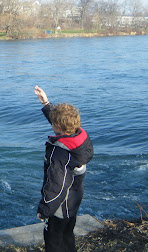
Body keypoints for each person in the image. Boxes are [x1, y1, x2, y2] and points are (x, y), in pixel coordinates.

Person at [34, 85, 94, 252]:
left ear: (57, 126)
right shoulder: (80, 138)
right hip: (74, 200)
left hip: (59, 206)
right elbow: (62, 123)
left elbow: (56, 185)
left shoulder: (60, 154)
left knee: (53, 241)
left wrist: (45, 210)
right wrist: (46, 103)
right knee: (68, 236)